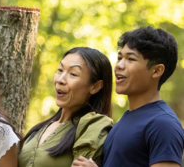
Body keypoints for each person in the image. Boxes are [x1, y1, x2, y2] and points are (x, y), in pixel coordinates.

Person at [73, 27, 184, 167]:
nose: (119, 65)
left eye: (130, 59)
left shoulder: (163, 124)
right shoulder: (124, 120)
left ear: (156, 71)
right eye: (119, 58)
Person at [19, 47, 113, 167]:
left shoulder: (94, 124)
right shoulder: (40, 128)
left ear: (95, 86)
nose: (60, 79)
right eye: (60, 70)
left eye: (73, 74)